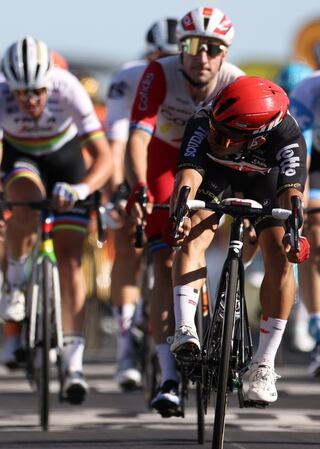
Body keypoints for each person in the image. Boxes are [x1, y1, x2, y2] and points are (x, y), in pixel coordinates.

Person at [0, 36, 112, 404]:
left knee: (70, 261)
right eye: (21, 94)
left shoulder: (68, 88)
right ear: (9, 86)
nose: (31, 101)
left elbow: (103, 157)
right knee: (24, 198)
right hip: (21, 157)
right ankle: (15, 283)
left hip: (65, 157)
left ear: (49, 83)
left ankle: (74, 363)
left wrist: (83, 189)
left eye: (37, 92)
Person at [124, 6, 243, 417]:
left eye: (213, 48)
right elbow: (137, 138)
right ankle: (169, 375)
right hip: (164, 159)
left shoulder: (236, 82)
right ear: (181, 48)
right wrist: (138, 190)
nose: (202, 57)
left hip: (212, 164)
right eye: (193, 46)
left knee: (201, 236)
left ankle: (220, 331)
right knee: (163, 259)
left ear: (224, 53)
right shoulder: (160, 73)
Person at [170, 76, 310, 405]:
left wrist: (293, 234)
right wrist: (181, 215)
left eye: (224, 136)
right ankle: (185, 326)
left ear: (258, 139)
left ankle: (263, 362)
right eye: (214, 129)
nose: (214, 137)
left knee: (280, 256)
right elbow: (187, 178)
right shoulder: (205, 121)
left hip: (265, 180)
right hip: (215, 175)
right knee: (193, 236)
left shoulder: (286, 135)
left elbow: (292, 195)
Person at [104, 17, 179, 391]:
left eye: (173, 55)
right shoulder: (131, 77)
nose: (164, 63)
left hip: (180, 162)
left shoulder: (195, 78)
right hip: (138, 163)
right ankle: (125, 346)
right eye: (158, 56)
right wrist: (121, 189)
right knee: (128, 245)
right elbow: (117, 139)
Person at [287, 51, 320, 377]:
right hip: (315, 167)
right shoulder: (309, 90)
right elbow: (301, 155)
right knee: (315, 226)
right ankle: (317, 326)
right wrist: (302, 202)